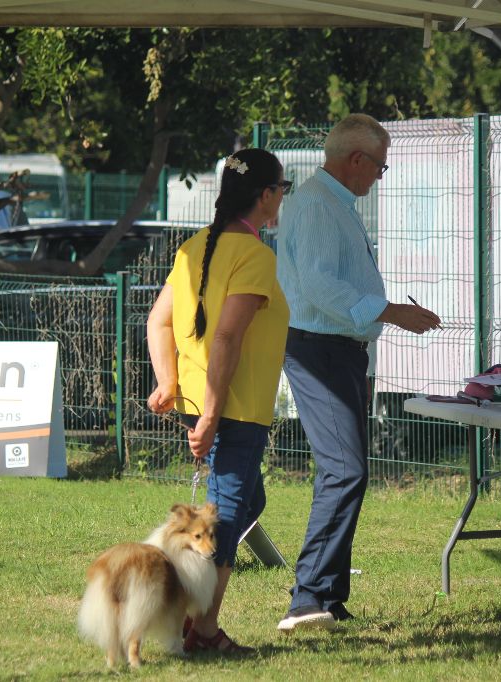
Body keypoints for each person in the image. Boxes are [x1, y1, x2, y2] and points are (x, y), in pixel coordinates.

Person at [274, 113, 442, 631]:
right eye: (379, 168)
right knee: (344, 470)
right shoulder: (319, 206)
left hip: (338, 351)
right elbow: (322, 287)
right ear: (356, 160)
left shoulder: (329, 203)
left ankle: (326, 595)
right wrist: (390, 311)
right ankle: (306, 599)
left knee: (347, 470)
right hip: (319, 351)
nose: (378, 178)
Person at [146, 148, 291, 652]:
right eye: (282, 190)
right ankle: (202, 630)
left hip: (203, 402)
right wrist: (209, 413)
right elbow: (226, 339)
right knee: (225, 518)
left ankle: (189, 616)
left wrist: (169, 383)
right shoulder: (255, 255)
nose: (282, 199)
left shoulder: (193, 246)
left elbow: (157, 321)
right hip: (233, 407)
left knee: (251, 501)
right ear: (266, 195)